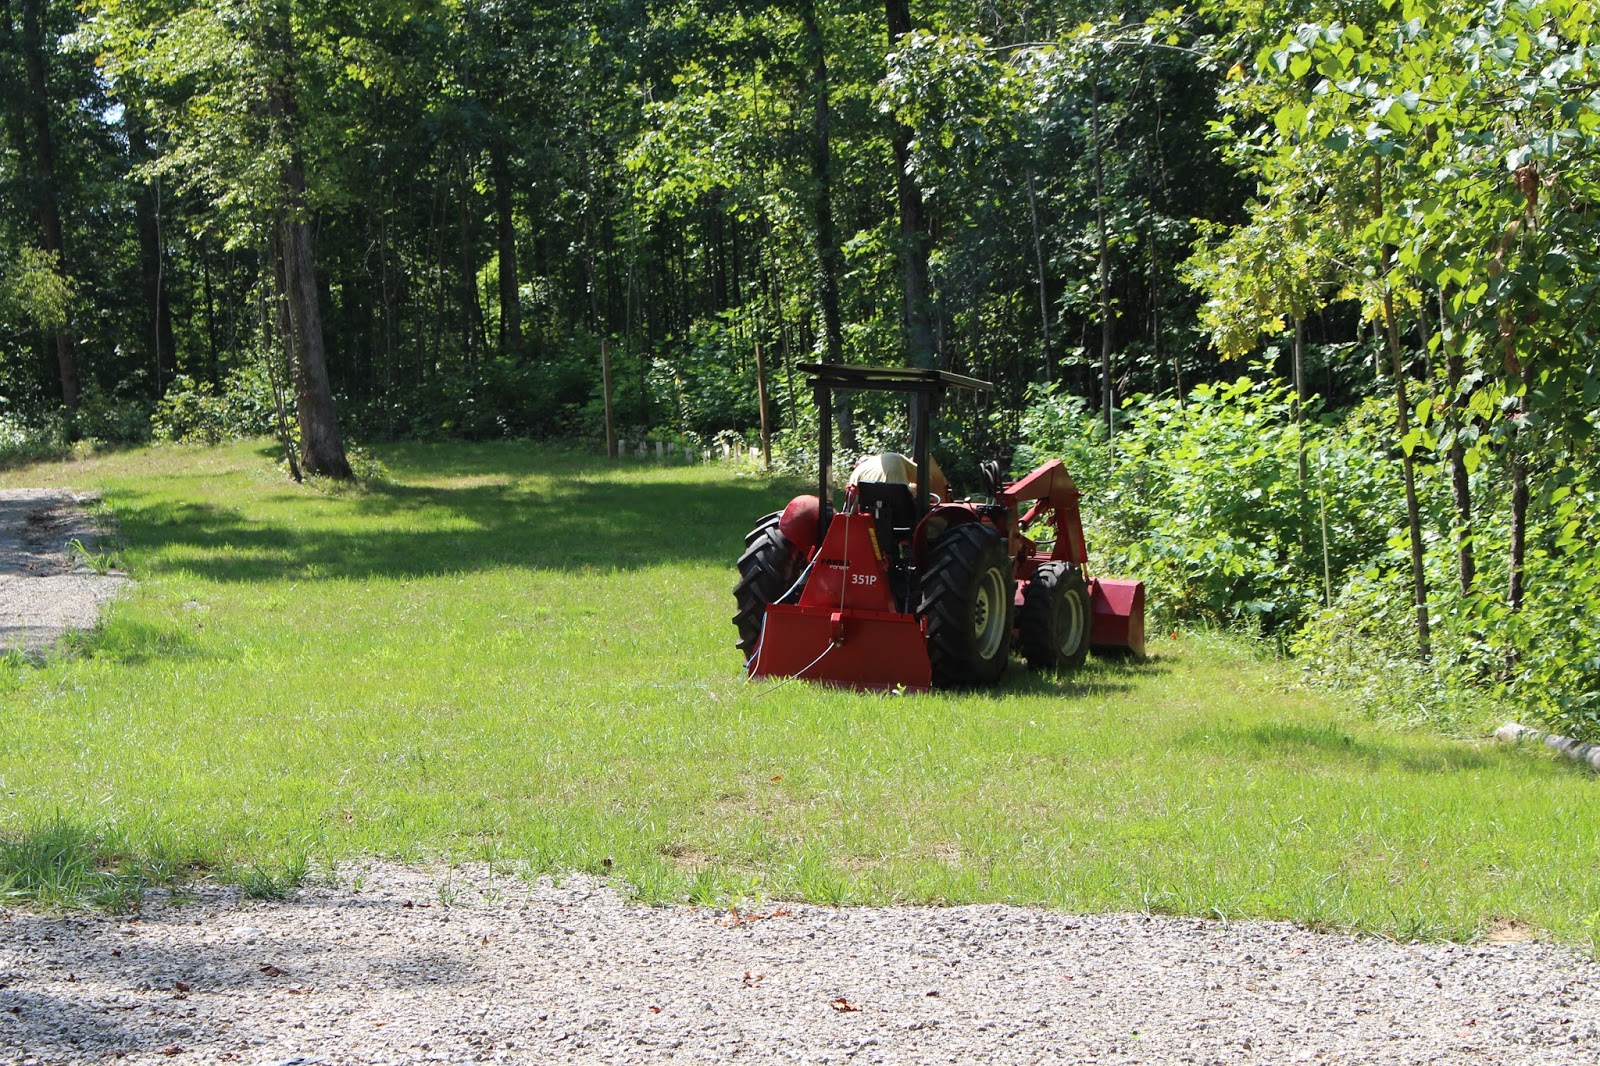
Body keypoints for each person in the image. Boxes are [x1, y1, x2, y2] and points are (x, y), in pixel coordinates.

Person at [848, 451, 949, 502]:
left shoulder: (856, 473)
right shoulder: (893, 457)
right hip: (903, 514)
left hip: (870, 522)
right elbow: (926, 479)